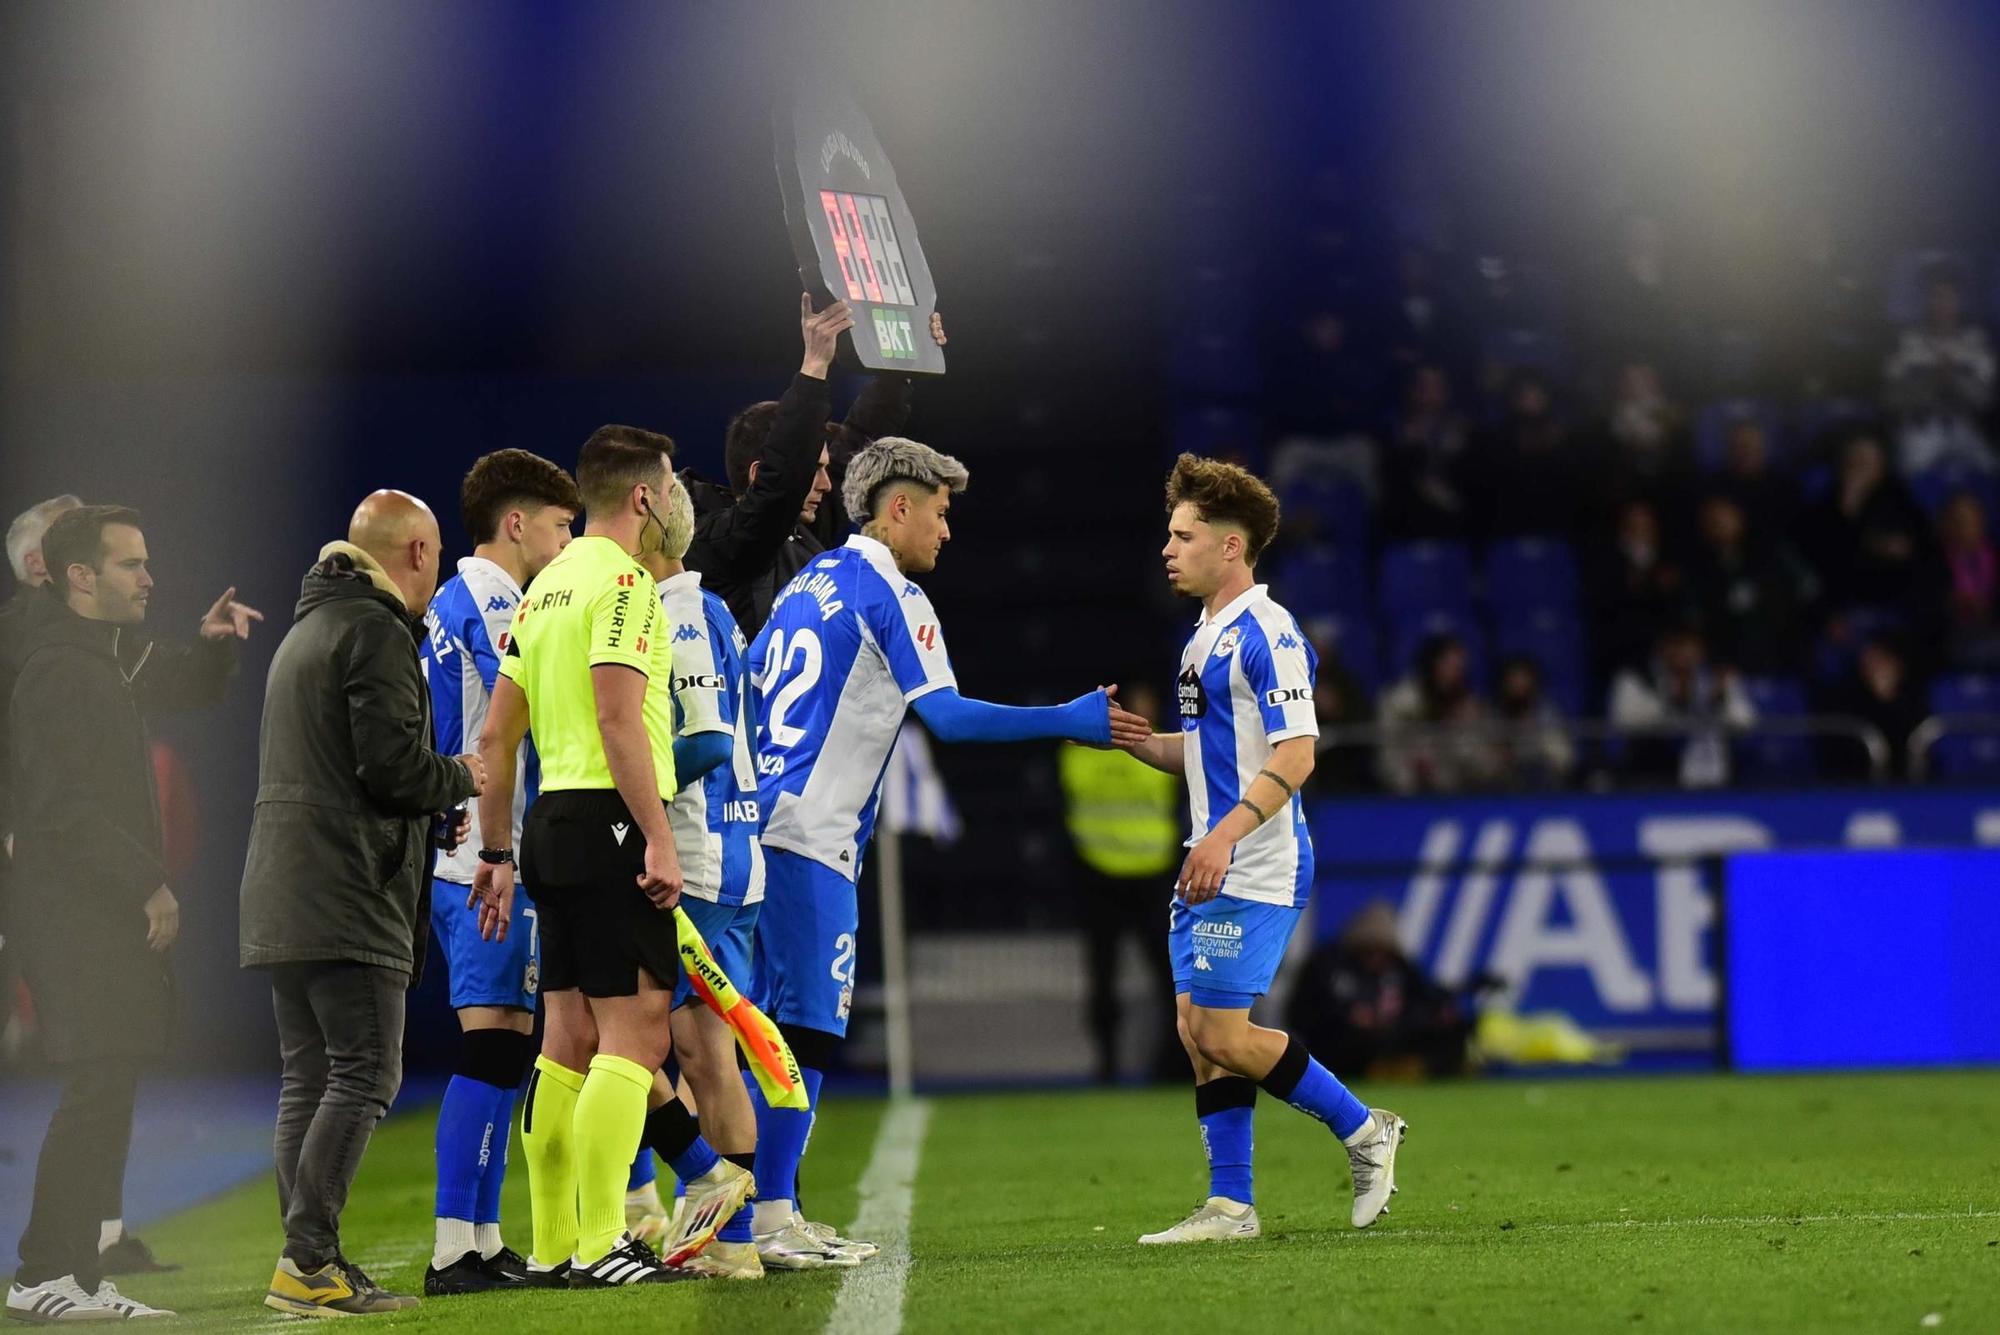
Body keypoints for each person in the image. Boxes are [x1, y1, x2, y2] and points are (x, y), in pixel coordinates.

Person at [744, 436, 1145, 1267]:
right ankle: (771, 1214)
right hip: (812, 838)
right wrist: (1069, 719)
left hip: (756, 828)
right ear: (898, 507)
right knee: (806, 1030)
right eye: (939, 511)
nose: (946, 530)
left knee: (757, 1028)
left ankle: (749, 1207)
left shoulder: (804, 585)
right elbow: (951, 718)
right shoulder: (893, 594)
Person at [470, 427, 750, 1288]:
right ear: (643, 497)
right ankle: (603, 1244)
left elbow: (496, 737)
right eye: (668, 488)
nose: (673, 503)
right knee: (634, 1035)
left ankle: (554, 1245)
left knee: (564, 1042)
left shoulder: (543, 588)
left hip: (550, 822)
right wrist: (657, 835)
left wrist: (496, 849)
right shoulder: (626, 584)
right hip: (611, 823)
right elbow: (619, 716)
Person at [1115, 454, 1406, 1246]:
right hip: (1213, 854)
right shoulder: (1202, 638)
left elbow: (1298, 753)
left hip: (1255, 859)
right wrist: (1138, 741)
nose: (1168, 548)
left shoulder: (1269, 633)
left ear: (1231, 546)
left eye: (1184, 536)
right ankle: (1231, 1204)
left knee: (1221, 1033)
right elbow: (1212, 755)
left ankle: (1365, 1128)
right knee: (1195, 1030)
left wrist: (1224, 833)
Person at [6, 505, 255, 1324]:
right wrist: (148, 881)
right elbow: (57, 808)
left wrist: (213, 645)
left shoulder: (101, 654)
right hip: (74, 912)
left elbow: (182, 682)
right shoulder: (55, 666)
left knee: (109, 1083)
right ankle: (44, 1272)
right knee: (94, 1087)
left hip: (98, 908)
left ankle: (78, 1274)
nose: (149, 578)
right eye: (130, 564)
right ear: (80, 577)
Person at [239, 490, 485, 1317]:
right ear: (416, 553)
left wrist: (430, 797)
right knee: (367, 1071)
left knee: (308, 1077)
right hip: (346, 888)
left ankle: (306, 1256)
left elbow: (347, 765)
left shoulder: (306, 630)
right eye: (437, 555)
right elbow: (393, 769)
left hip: (284, 887)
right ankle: (310, 1259)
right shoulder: (376, 630)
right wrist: (463, 775)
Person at [418, 450, 580, 1294]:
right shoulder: (495, 601)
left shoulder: (450, 600)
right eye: (560, 527)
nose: (567, 544)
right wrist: (498, 853)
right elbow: (511, 727)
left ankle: (481, 1238)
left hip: (467, 853)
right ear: (516, 523)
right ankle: (454, 1248)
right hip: (483, 857)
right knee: (489, 1047)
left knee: (507, 1044)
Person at [637, 479, 768, 1279]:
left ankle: (732, 1231)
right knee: (700, 1052)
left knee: (685, 1049)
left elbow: (711, 739)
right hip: (731, 850)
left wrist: (629, 797)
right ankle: (724, 1231)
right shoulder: (712, 607)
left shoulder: (678, 612)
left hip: (702, 858)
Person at [682, 294, 947, 637]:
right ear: (758, 475)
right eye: (814, 470)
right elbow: (782, 481)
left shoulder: (802, 531)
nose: (826, 484)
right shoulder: (723, 543)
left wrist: (901, 366)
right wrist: (815, 366)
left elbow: (859, 440)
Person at [1057, 681, 1183, 1084]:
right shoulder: (1088, 751)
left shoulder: (1160, 746)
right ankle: (1107, 1065)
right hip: (1101, 876)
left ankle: (1175, 1063)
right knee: (1104, 979)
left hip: (1151, 876)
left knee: (1169, 979)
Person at [1285, 901, 1472, 1079]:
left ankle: (1414, 1068)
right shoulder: (1326, 966)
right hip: (1338, 1047)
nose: (1376, 958)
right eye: (1369, 950)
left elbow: (1424, 1001)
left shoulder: (1399, 968)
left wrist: (1400, 1020)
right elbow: (1299, 1015)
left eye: (1382, 951)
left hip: (1390, 1041)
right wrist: (1347, 1016)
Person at [1608, 621, 1756, 789]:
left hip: (1718, 777)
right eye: (1676, 645)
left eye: (1690, 646)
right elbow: (1625, 722)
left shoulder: (1717, 677)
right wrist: (1672, 702)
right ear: (1662, 647)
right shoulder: (1638, 677)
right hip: (1655, 779)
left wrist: (1720, 701)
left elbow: (1746, 722)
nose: (1683, 654)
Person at [1884, 260, 1995, 475]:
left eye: (1950, 297)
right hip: (1920, 427)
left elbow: (1985, 399)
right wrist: (1931, 380)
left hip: (1966, 426)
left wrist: (1954, 378)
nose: (1943, 304)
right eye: (1936, 296)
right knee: (1907, 471)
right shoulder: (1906, 342)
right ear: (1926, 300)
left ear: (1959, 300)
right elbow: (1891, 398)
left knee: (1990, 470)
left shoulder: (1976, 341)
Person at [1376, 633, 1501, 795]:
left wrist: (1463, 728)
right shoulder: (1401, 702)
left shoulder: (1469, 705)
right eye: (1448, 664)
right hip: (1404, 792)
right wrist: (1409, 779)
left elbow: (1485, 767)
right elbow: (1387, 755)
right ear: (1431, 665)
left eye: (1459, 666)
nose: (1455, 672)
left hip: (1457, 793)